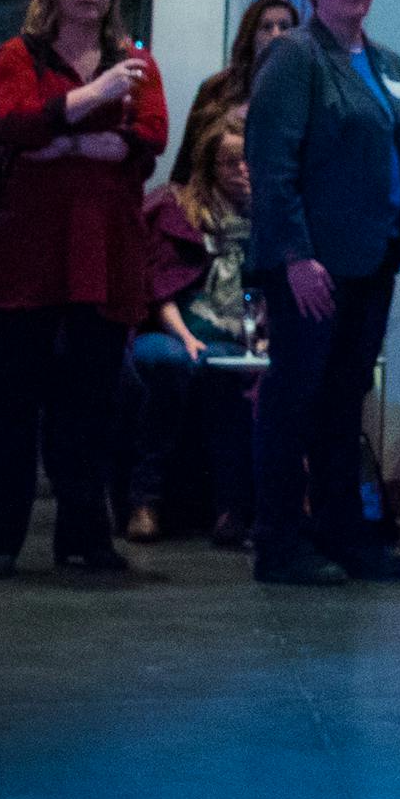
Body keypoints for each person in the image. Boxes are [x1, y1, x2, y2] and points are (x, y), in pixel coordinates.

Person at [0, 0, 166, 577]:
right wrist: (91, 105)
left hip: (104, 255)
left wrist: (61, 137)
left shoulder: (139, 63)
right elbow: (11, 122)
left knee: (91, 406)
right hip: (31, 255)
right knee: (12, 404)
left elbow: (151, 134)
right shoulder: (17, 55)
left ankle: (85, 539)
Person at [244, 0, 400, 586]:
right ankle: (278, 542)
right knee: (293, 399)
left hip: (373, 257)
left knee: (343, 401)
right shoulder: (296, 57)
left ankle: (342, 533)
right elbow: (270, 166)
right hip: (312, 263)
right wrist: (296, 254)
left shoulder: (388, 63)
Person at [131, 111, 260, 546]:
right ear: (209, 166)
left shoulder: (269, 217)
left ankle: (231, 510)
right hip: (170, 330)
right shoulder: (178, 209)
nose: (242, 171)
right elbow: (157, 287)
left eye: (249, 161)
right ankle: (144, 500)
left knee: (227, 372)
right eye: (230, 163)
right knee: (172, 363)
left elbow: (269, 294)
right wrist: (185, 337)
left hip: (233, 338)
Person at [173, 0, 297, 185]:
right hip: (213, 201)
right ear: (251, 35)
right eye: (266, 27)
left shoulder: (304, 93)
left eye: (284, 27)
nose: (276, 34)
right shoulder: (216, 88)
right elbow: (186, 162)